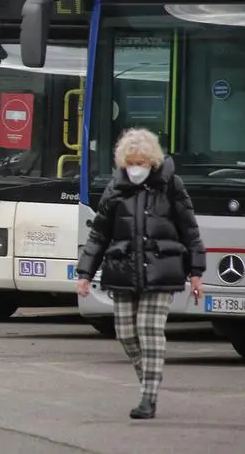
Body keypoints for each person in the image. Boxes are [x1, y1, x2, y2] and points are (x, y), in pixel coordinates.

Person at [75, 128, 206, 420]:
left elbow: (190, 231)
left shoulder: (171, 186)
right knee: (125, 333)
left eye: (141, 162)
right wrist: (85, 273)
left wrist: (196, 273)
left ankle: (148, 397)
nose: (136, 168)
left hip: (161, 271)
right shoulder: (115, 189)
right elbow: (98, 235)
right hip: (123, 271)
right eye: (131, 162)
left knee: (149, 330)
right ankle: (148, 379)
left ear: (152, 161)